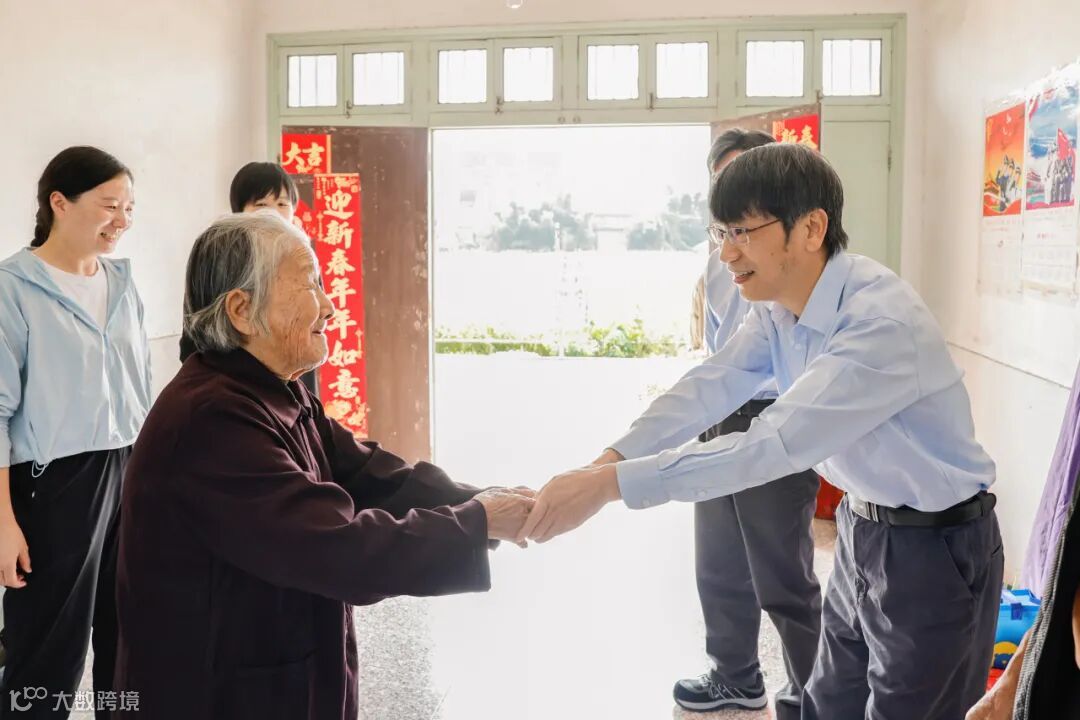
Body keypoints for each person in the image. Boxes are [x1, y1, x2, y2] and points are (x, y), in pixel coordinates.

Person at [521, 142, 1004, 719]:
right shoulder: (777, 308)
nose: (726, 253)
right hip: (862, 528)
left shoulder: (878, 323)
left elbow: (771, 445)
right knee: (826, 704)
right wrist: (607, 461)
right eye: (720, 233)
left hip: (934, 547)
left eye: (744, 232)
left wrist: (609, 487)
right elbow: (713, 383)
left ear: (811, 228)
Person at [113, 212, 535, 720]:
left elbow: (369, 474)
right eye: (311, 284)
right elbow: (337, 548)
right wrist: (476, 522)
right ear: (242, 310)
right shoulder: (210, 419)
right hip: (214, 693)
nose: (330, 307)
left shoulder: (271, 388)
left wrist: (480, 500)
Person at [672, 129, 821, 718]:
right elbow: (720, 352)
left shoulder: (800, 260)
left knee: (783, 575)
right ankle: (735, 676)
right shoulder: (718, 261)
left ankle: (814, 693)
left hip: (775, 417)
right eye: (722, 184)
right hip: (721, 416)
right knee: (719, 563)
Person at [0, 146, 151, 718]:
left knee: (129, 634)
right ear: (59, 203)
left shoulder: (122, 282)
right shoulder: (13, 288)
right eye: (110, 205)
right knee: (49, 650)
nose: (122, 219)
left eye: (129, 207)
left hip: (131, 469)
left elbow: (142, 385)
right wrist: (3, 522)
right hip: (55, 483)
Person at [178, 161, 300, 364]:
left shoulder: (302, 260)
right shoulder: (215, 257)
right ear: (239, 211)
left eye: (282, 204)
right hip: (228, 373)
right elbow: (194, 334)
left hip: (291, 372)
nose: (273, 214)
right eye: (261, 205)